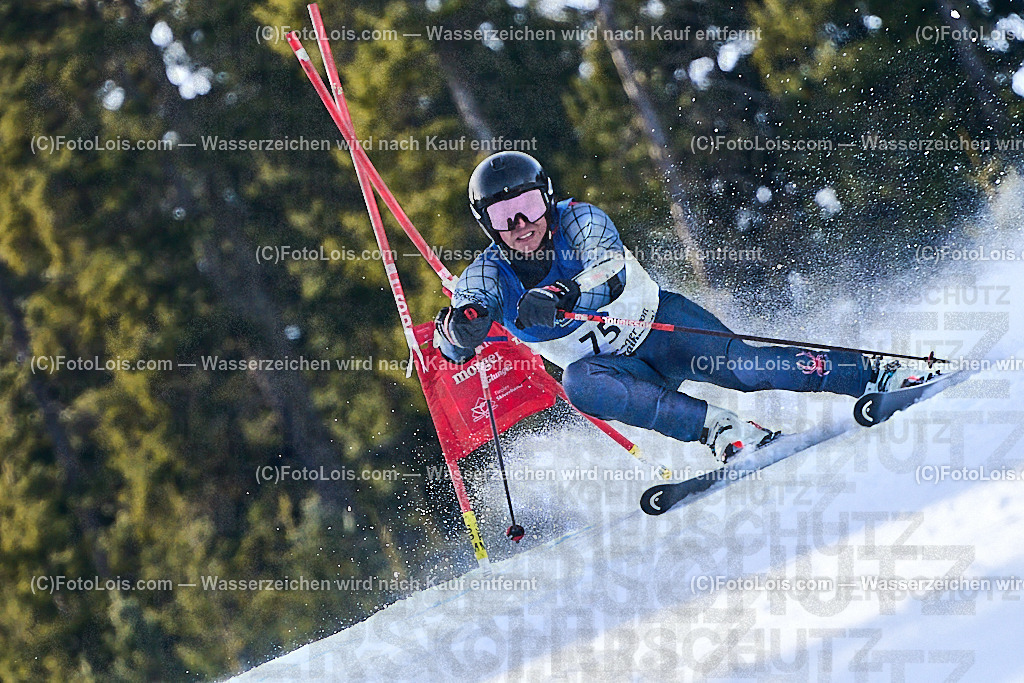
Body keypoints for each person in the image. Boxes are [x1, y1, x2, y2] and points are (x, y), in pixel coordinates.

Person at [434, 151, 919, 461]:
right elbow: (457, 330)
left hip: (666, 330)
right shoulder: (489, 271)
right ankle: (722, 431)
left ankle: (872, 373)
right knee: (579, 383)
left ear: (548, 200)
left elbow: (608, 270)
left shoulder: (579, 219)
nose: (520, 223)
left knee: (748, 370)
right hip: (621, 374)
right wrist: (461, 329)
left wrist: (564, 294)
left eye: (529, 206)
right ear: (487, 225)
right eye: (502, 215)